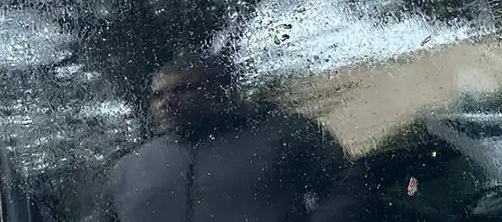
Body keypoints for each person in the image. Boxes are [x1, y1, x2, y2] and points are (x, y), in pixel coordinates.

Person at [98, 52, 358, 222]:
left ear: (219, 90)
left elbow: (347, 190)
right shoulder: (128, 170)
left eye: (184, 89)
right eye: (158, 95)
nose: (167, 102)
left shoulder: (284, 134)